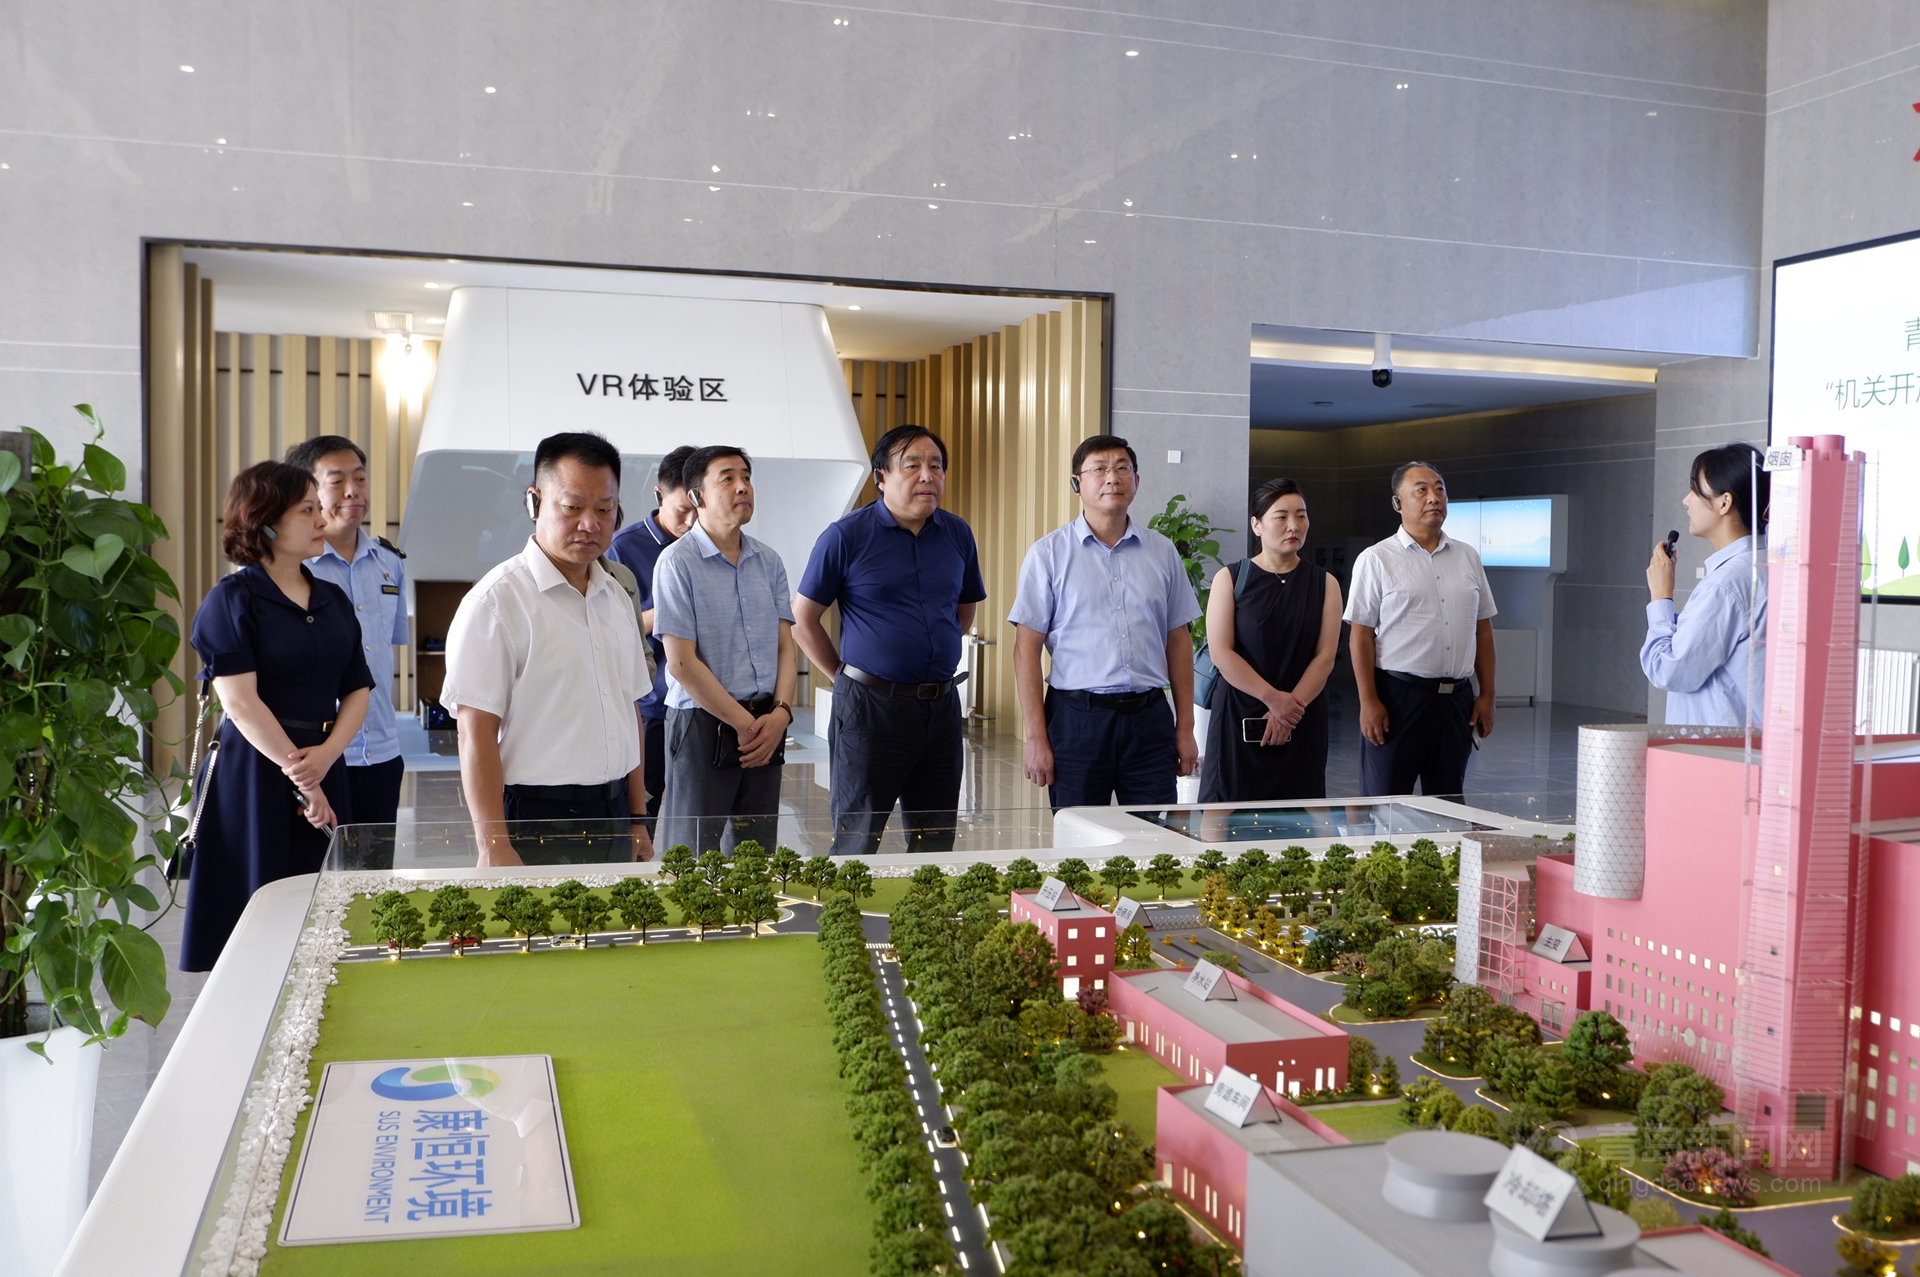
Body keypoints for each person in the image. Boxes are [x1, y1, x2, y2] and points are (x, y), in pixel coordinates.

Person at [182, 462, 373, 971]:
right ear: (265, 523)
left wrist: (326, 758)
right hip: (255, 772)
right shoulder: (232, 600)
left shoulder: (332, 599)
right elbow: (241, 704)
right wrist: (305, 777)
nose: (322, 519)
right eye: (307, 510)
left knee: (321, 913)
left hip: (324, 764)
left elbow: (358, 689)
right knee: (256, 909)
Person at [440, 432, 653, 866]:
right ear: (534, 502)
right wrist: (493, 844)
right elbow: (475, 730)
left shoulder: (615, 596)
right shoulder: (496, 602)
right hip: (535, 818)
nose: (590, 524)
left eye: (605, 509)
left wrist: (637, 819)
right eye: (572, 507)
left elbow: (628, 708)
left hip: (613, 813)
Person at [794, 424, 986, 854]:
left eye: (936, 466)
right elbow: (803, 620)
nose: (927, 476)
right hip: (870, 709)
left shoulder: (957, 533)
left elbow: (964, 608)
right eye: (912, 465)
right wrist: (843, 677)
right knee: (858, 839)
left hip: (940, 707)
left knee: (935, 838)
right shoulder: (845, 536)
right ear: (881, 477)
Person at [1008, 434, 1201, 809]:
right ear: (1077, 484)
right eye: (1099, 469)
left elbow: (1178, 641)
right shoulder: (1048, 555)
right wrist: (1036, 738)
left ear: (1136, 481)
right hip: (1077, 721)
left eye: (1122, 468)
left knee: (1155, 833)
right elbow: (1026, 650)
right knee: (1079, 834)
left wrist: (1185, 728)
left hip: (1149, 720)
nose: (1112, 477)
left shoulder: (1162, 552)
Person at [652, 446, 798, 855]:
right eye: (728, 478)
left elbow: (786, 647)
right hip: (703, 724)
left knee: (757, 852)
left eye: (746, 477)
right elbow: (681, 663)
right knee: (693, 853)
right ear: (696, 496)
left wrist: (781, 714)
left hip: (766, 721)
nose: (742, 487)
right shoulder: (676, 562)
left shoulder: (768, 561)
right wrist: (746, 725)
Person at [1345, 461, 1498, 800]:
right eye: (1422, 490)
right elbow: (1360, 635)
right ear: (1397, 502)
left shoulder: (1467, 556)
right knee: (1386, 802)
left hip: (1456, 701)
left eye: (1440, 489)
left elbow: (1483, 629)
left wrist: (1487, 695)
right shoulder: (1376, 559)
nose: (1434, 497)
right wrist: (1368, 701)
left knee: (1448, 801)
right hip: (1398, 698)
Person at [287, 435, 408, 844]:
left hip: (382, 752)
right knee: (315, 873)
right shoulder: (294, 569)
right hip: (316, 757)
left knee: (375, 872)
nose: (353, 490)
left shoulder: (390, 563)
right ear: (308, 492)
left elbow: (384, 651)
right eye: (337, 481)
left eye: (360, 478)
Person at [1200, 478, 1344, 802]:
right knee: (1224, 808)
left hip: (1301, 713)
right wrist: (1273, 700)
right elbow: (1222, 653)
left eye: (1301, 515)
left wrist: (1289, 710)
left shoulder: (1325, 583)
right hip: (1240, 711)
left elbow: (1325, 657)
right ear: (1257, 525)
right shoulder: (1231, 578)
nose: (1294, 525)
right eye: (1281, 516)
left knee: (1302, 809)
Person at [1641, 442, 1769, 727]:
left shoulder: (1725, 586)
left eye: (1695, 489)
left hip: (1718, 746)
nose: (1686, 500)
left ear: (1724, 502)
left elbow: (1669, 670)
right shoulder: (1770, 568)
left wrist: (1661, 597)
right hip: (1754, 741)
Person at [606, 445, 700, 818]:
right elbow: (615, 625)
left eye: (699, 509)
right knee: (645, 807)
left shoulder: (709, 543)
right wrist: (671, 611)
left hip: (701, 701)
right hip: (653, 703)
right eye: (682, 510)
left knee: (695, 809)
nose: (692, 522)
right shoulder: (623, 547)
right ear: (659, 495)